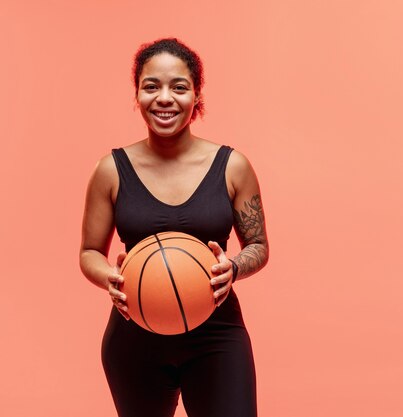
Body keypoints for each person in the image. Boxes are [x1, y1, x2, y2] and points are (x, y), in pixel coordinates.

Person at [78, 37, 269, 417]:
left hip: (217, 334)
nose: (164, 98)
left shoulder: (232, 166)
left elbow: (259, 245)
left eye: (178, 87)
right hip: (135, 333)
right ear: (137, 95)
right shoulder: (111, 170)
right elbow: (89, 252)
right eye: (152, 86)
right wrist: (111, 278)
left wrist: (232, 268)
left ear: (196, 96)